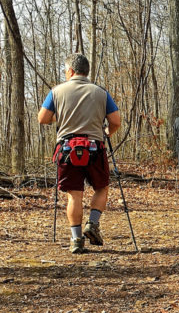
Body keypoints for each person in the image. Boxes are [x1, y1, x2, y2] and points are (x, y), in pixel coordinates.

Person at [38, 53, 121, 254]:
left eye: (66, 71)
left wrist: (58, 119)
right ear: (86, 71)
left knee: (74, 195)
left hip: (67, 149)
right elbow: (116, 121)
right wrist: (107, 133)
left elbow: (42, 118)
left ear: (71, 71)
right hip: (95, 148)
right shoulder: (101, 92)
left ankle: (76, 240)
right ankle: (92, 224)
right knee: (101, 188)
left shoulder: (56, 91)